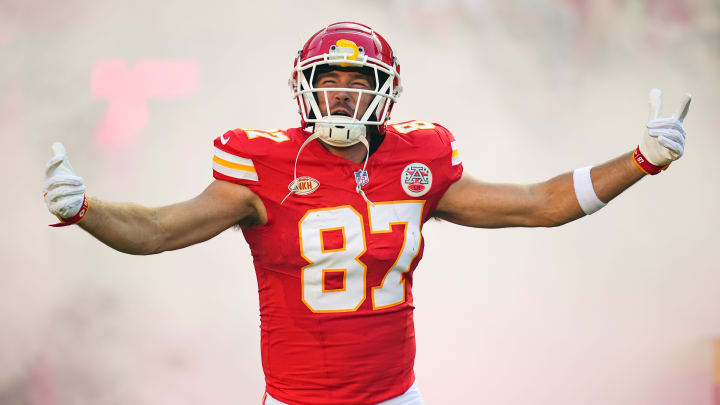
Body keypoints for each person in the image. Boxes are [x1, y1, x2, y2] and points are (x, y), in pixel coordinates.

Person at [42, 22, 691, 405]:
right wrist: (88, 209)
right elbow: (157, 229)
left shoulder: (421, 158)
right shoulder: (262, 166)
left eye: (359, 81)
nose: (344, 92)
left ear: (386, 92)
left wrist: (641, 158)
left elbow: (538, 205)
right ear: (306, 85)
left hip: (393, 397)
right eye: (330, 78)